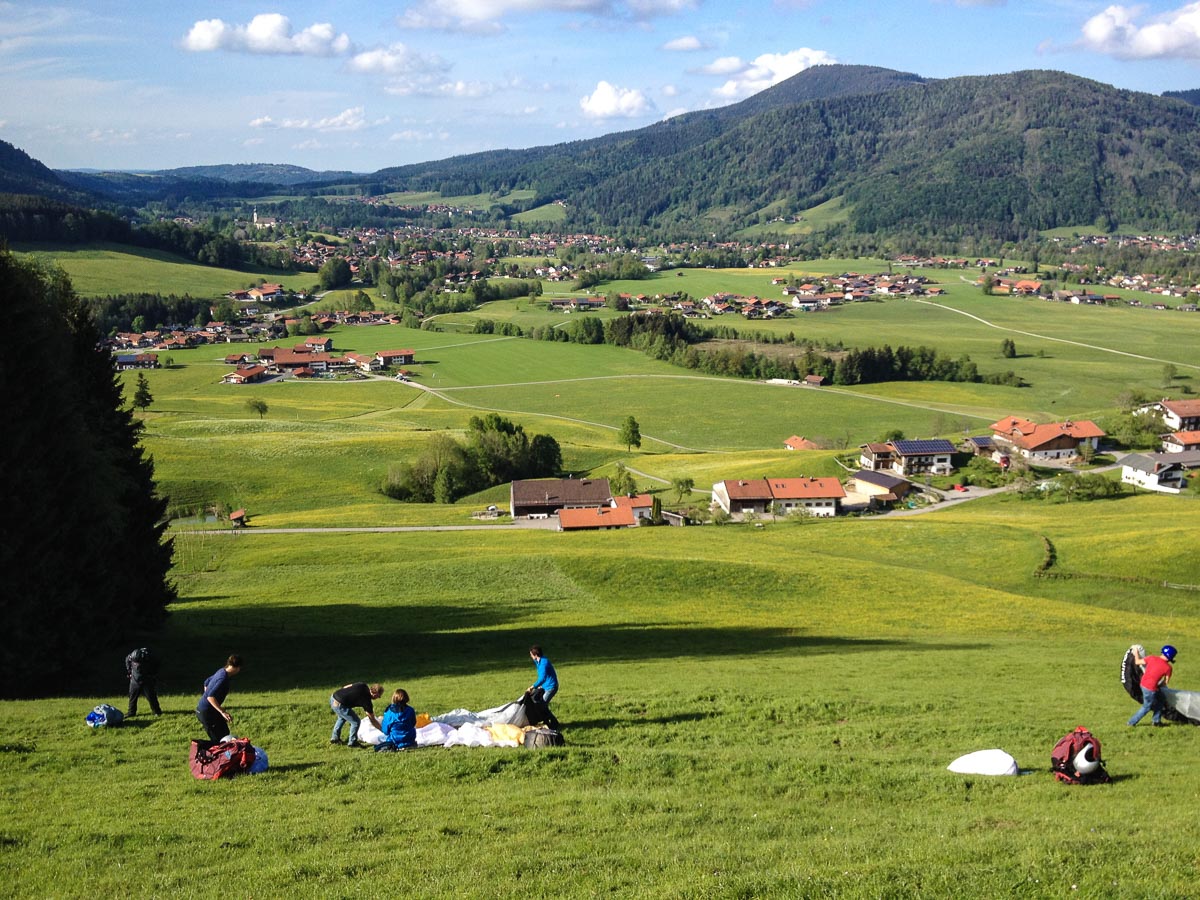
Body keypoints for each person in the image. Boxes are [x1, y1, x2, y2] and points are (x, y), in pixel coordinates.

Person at [195, 654, 243, 741]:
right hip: (206, 713)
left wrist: (208, 697)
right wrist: (222, 712)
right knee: (218, 740)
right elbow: (210, 697)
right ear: (237, 667)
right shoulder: (223, 679)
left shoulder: (221, 671)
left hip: (212, 710)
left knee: (225, 734)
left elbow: (206, 682)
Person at [1128, 644, 1177, 727]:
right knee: (1146, 707)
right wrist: (1157, 685)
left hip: (1143, 684)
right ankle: (1131, 722)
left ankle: (1156, 721)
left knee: (1161, 700)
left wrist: (1136, 652)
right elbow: (1165, 682)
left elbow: (1137, 662)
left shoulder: (1152, 658)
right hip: (1150, 689)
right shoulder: (1168, 668)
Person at [330, 682, 383, 747]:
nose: (379, 697)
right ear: (375, 694)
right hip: (340, 704)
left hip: (333, 697)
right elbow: (372, 720)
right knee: (356, 722)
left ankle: (335, 738)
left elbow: (347, 686)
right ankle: (352, 742)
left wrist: (343, 694)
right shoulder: (366, 701)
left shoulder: (363, 685)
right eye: (379, 696)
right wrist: (382, 730)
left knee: (342, 718)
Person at [525, 645, 561, 730]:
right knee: (541, 705)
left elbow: (542, 678)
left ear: (535, 655)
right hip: (545, 686)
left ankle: (554, 722)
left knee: (542, 705)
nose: (531, 656)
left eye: (531, 654)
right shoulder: (538, 661)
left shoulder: (544, 663)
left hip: (551, 687)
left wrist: (532, 687)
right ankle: (547, 722)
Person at [124, 646, 162, 717]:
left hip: (147, 680)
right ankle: (131, 712)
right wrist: (129, 671)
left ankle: (157, 711)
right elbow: (127, 661)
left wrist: (153, 674)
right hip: (134, 680)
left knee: (151, 697)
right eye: (136, 663)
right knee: (132, 697)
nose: (137, 664)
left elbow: (157, 665)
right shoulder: (131, 657)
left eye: (139, 663)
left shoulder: (150, 658)